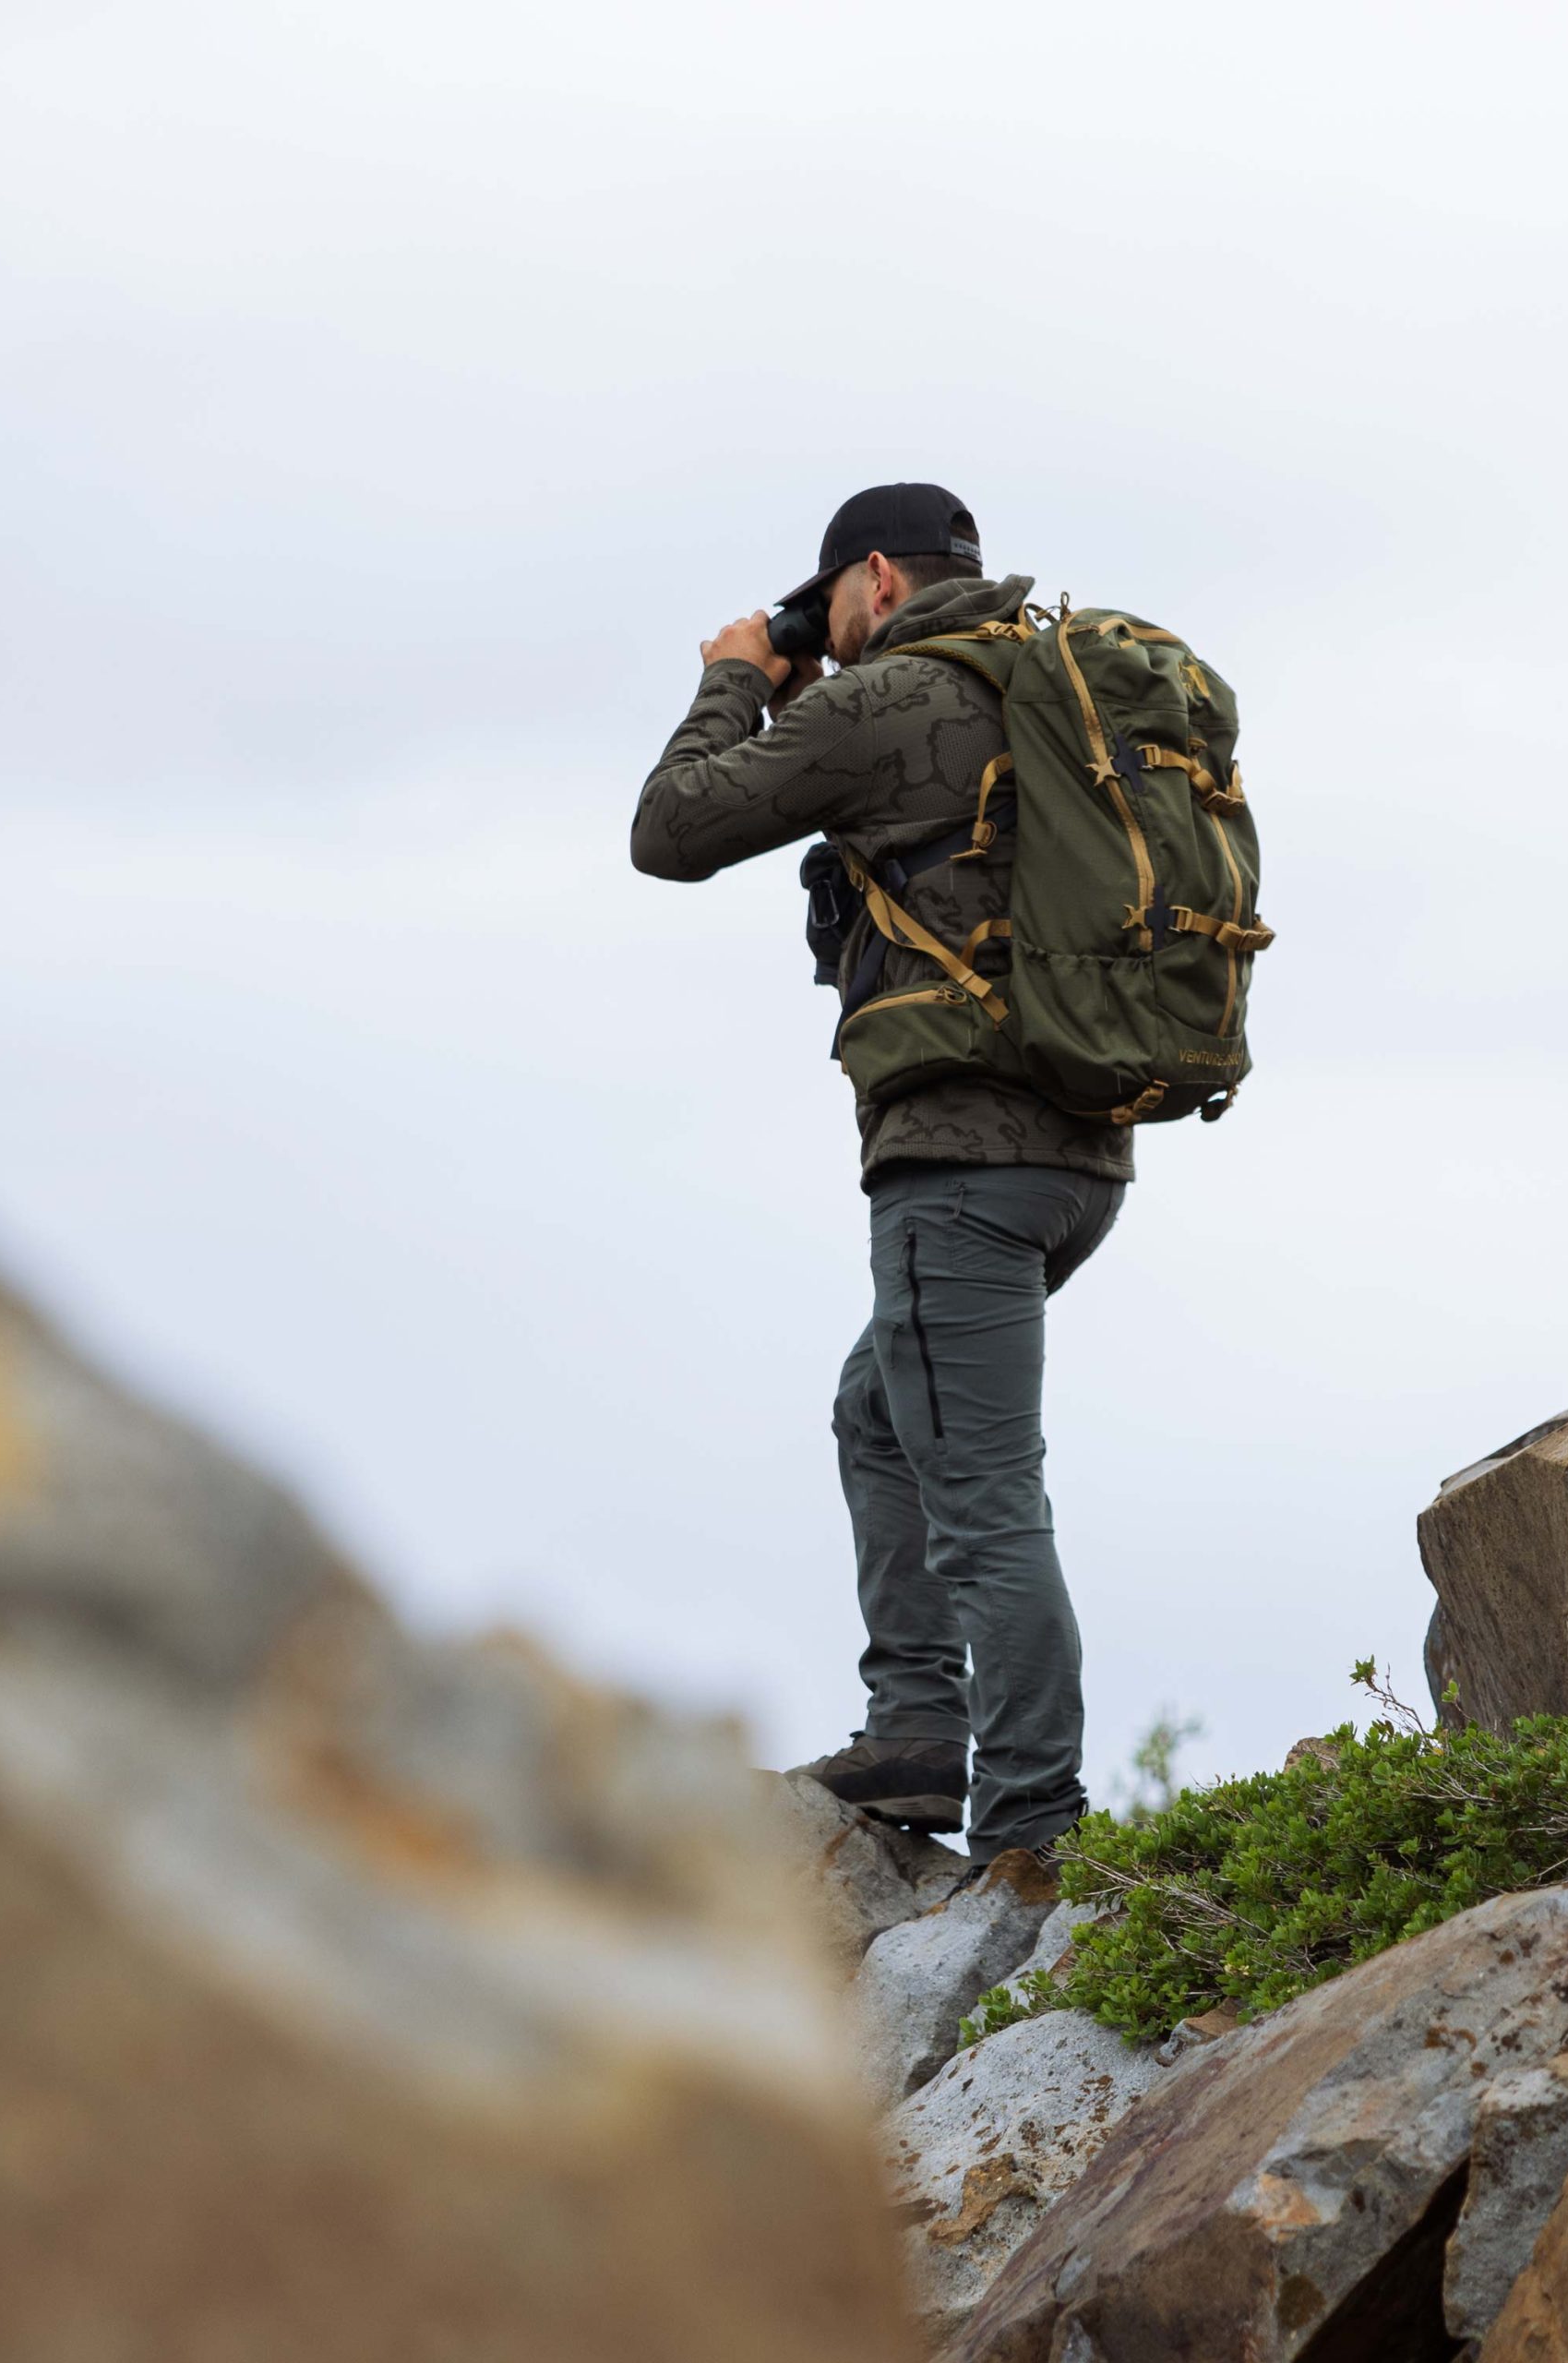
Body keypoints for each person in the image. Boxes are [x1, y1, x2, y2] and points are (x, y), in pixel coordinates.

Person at [631, 484, 1131, 1868]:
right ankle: (916, 1732)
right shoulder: (1046, 679)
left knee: (981, 1491)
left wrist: (740, 678)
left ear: (873, 579)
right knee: (879, 1411)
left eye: (830, 603)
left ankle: (1035, 1828)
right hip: (1080, 1155)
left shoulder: (890, 701)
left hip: (958, 1157)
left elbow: (672, 831)